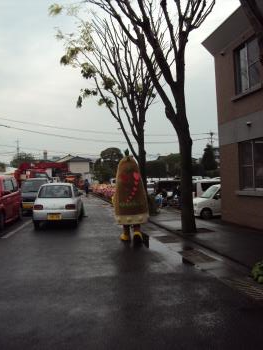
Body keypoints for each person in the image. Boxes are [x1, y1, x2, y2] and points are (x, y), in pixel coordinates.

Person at [113, 153, 149, 244]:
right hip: (137, 205)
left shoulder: (120, 180)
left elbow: (117, 193)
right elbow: (142, 193)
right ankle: (137, 232)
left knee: (125, 221)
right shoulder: (137, 179)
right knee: (137, 221)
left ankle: (126, 235)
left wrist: (114, 200)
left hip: (123, 207)